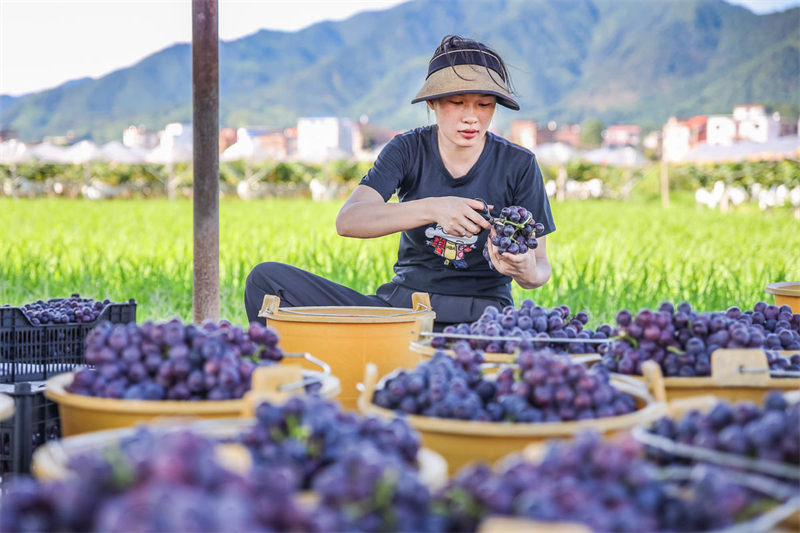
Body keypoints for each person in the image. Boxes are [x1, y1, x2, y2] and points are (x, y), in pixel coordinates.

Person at [245, 35, 555, 330]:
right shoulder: (407, 149)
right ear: (432, 103)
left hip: (484, 318)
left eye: (484, 104)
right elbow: (349, 220)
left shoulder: (519, 163)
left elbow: (540, 266)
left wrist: (526, 270)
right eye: (457, 102)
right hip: (402, 311)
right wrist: (434, 208)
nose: (471, 117)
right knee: (266, 279)